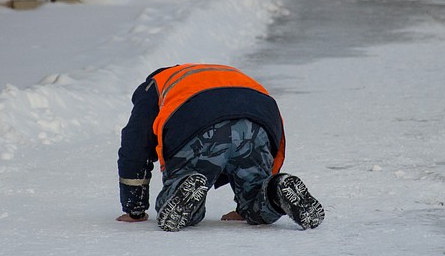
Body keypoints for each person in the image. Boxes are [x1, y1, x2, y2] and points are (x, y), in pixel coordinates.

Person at [115, 63, 325, 232]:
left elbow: (135, 145)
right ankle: (276, 191)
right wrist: (270, 174)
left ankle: (187, 185)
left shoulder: (154, 86)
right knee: (256, 200)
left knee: (180, 195)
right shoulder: (221, 72)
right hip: (258, 121)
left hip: (199, 125)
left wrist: (135, 208)